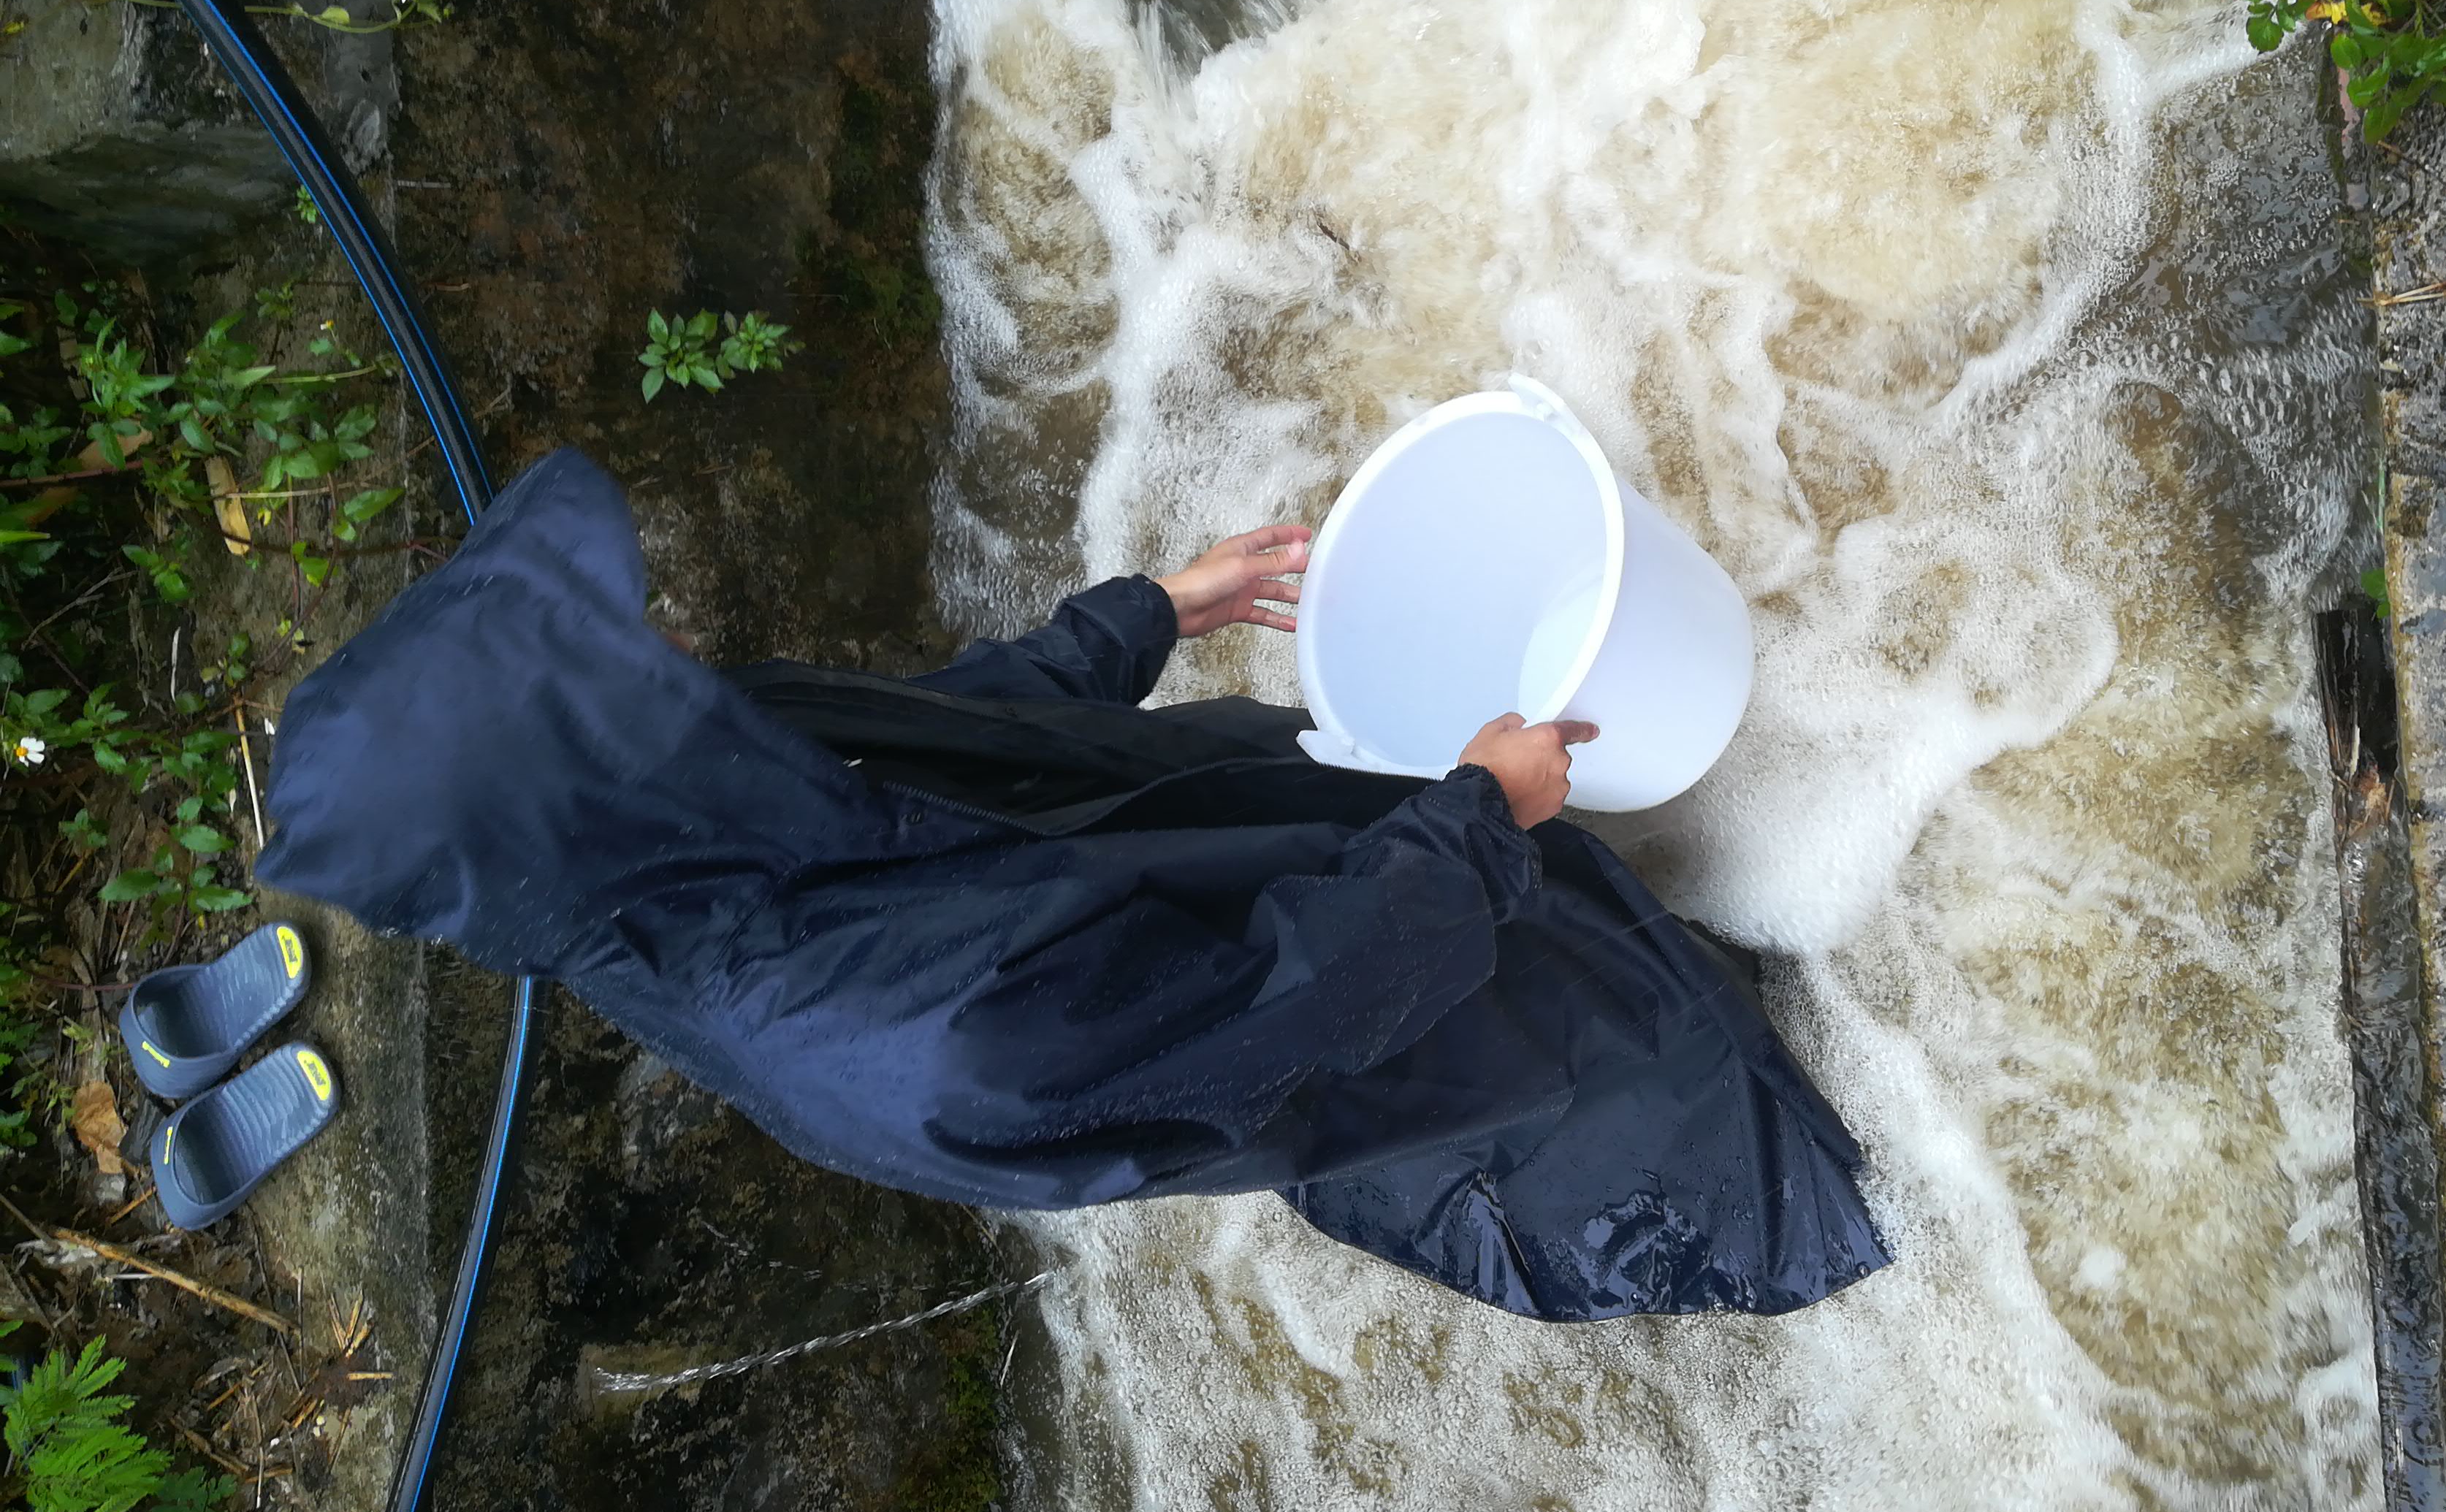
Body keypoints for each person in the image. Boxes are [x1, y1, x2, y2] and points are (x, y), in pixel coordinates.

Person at [259, 449, 1887, 1320]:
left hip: (1251, 847)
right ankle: (1858, 1204)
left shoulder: (686, 779)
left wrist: (1149, 615)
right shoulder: (921, 1042)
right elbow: (1295, 1004)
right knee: (1727, 1101)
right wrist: (1474, 818)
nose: (660, 633)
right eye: (604, 649)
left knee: (1600, 910)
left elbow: (945, 737)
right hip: (1398, 1038)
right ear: (564, 774)